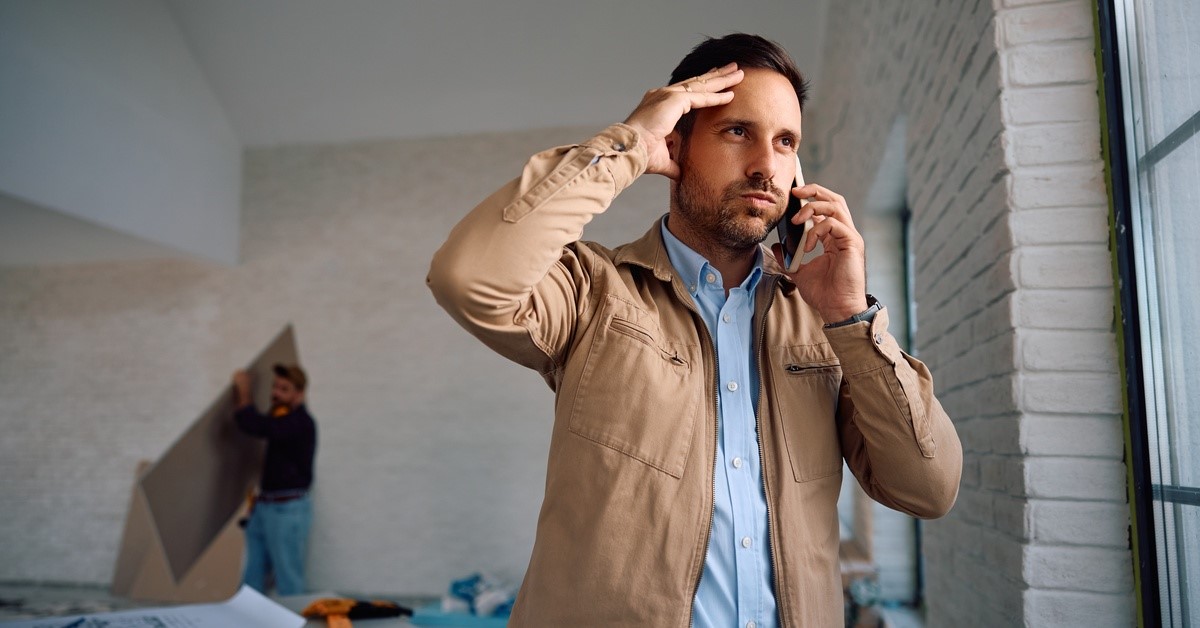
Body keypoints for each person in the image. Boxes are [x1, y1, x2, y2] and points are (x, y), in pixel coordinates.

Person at [426, 33, 962, 627]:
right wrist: (627, 144)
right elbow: (469, 277)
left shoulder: (825, 324)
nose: (766, 166)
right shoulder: (596, 291)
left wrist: (851, 318)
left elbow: (928, 489)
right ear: (674, 144)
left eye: (786, 143)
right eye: (738, 132)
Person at [231, 363, 317, 596]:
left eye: (284, 389)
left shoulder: (300, 423)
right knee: (253, 576)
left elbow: (257, 425)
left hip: (287, 510)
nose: (276, 394)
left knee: (288, 579)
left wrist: (244, 393)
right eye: (275, 387)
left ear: (299, 393)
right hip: (265, 506)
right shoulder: (283, 418)